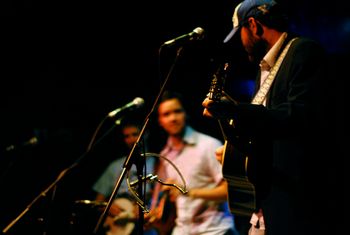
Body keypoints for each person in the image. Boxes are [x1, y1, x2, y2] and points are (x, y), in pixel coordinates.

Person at [202, 0, 336, 235]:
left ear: (253, 25)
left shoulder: (302, 51)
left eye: (241, 33)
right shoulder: (264, 67)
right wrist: (234, 147)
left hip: (295, 202)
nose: (241, 44)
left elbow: (298, 116)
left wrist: (235, 110)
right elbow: (267, 125)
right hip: (266, 202)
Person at [146, 90, 238, 235]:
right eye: (166, 114)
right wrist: (156, 215)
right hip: (182, 230)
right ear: (160, 122)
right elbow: (171, 199)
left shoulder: (208, 145)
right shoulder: (164, 154)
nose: (173, 118)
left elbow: (229, 190)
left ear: (185, 114)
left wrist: (189, 192)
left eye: (177, 111)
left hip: (214, 230)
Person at [92, 117, 157, 235]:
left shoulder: (157, 163)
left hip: (146, 228)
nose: (131, 139)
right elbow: (97, 202)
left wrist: (148, 209)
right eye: (127, 136)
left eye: (135, 134)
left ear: (145, 134)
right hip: (118, 228)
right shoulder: (115, 166)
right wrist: (107, 207)